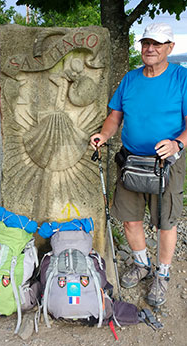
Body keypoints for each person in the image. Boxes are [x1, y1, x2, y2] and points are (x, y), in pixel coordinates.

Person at [90, 23, 187, 307]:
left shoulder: (182, 79)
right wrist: (104, 134)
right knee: (130, 218)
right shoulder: (130, 80)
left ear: (170, 48)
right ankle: (142, 262)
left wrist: (177, 143)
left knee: (165, 222)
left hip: (166, 163)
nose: (150, 48)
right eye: (146, 43)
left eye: (157, 44)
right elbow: (115, 116)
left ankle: (163, 274)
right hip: (131, 161)